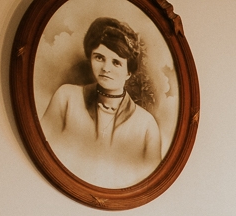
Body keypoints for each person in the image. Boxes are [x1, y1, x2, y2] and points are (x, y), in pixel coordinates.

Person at [39, 17, 162, 188]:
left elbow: (148, 184)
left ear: (129, 73)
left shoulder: (146, 125)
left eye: (116, 62)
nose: (106, 68)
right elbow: (41, 153)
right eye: (99, 57)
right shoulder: (66, 98)